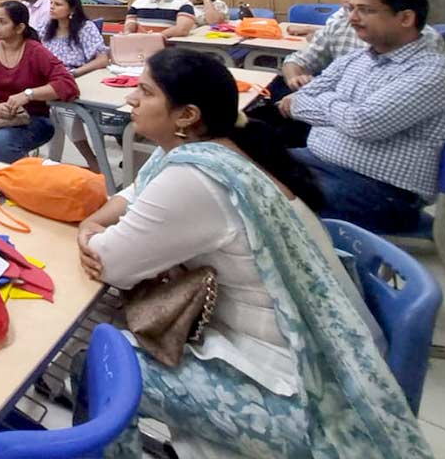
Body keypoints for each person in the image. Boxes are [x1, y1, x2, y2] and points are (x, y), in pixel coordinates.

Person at [74, 47, 424, 458]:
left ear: (186, 115)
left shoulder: (194, 177)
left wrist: (92, 233)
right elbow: (135, 195)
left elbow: (111, 264)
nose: (131, 98)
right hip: (307, 353)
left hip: (302, 398)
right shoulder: (224, 145)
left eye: (146, 92)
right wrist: (95, 219)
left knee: (98, 362)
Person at [279, 0, 445, 233]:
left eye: (365, 10)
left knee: (260, 188)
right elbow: (301, 98)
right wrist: (344, 109)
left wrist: (329, 102)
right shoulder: (358, 58)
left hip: (380, 192)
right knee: (239, 164)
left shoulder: (432, 72)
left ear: (406, 18)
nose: (352, 18)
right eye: (351, 9)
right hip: (320, 162)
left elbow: (362, 123)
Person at [280, 0, 443, 91]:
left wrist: (308, 101)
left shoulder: (420, 39)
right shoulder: (340, 21)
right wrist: (296, 79)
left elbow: (366, 116)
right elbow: (302, 62)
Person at [0, 1, 79, 164]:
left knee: (3, 143)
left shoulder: (36, 51)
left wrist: (28, 95)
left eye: (3, 22)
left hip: (31, 116)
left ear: (20, 28)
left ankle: (16, 186)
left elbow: (67, 84)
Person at [41, 0, 110, 171]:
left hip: (76, 78)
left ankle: (90, 161)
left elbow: (102, 59)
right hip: (50, 80)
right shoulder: (47, 27)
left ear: (71, 9)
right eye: (51, 3)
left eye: (58, 4)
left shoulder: (85, 28)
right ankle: (55, 161)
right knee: (52, 109)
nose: (52, 8)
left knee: (62, 111)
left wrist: (75, 73)